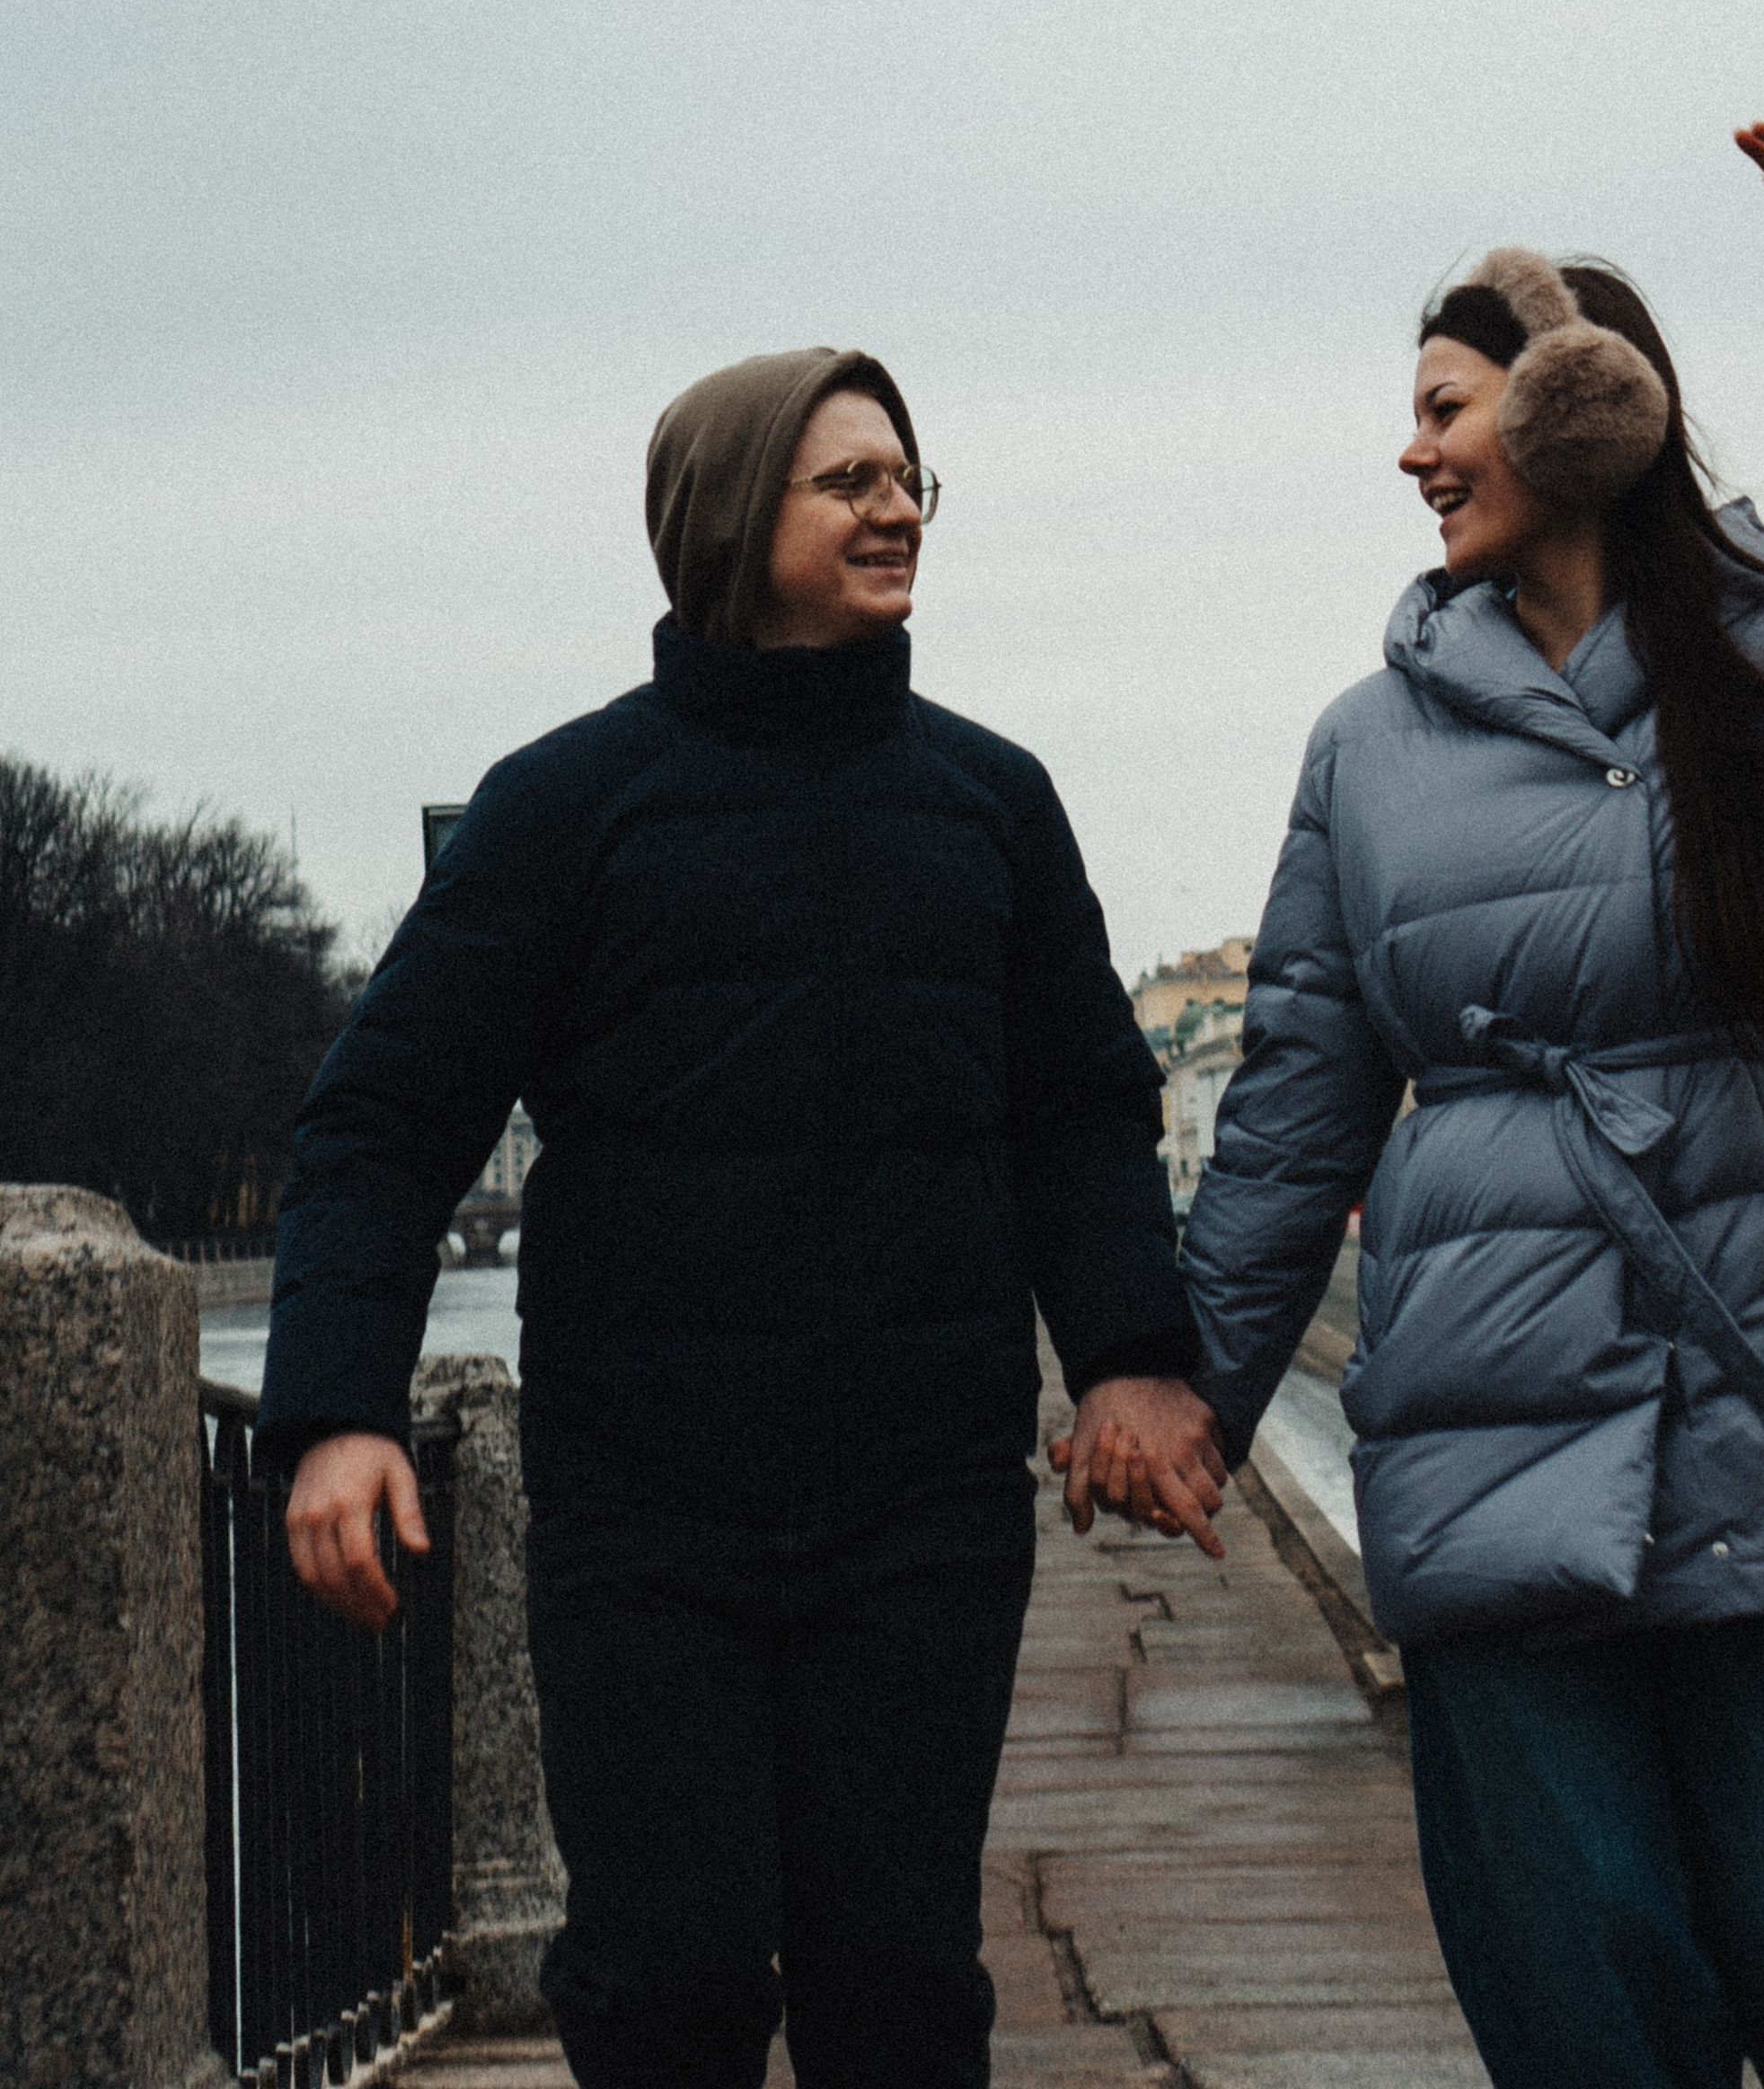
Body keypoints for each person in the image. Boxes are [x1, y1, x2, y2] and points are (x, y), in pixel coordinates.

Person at [1167, 113, 1764, 2089]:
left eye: (1444, 407)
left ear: (1576, 417)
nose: (1411, 450)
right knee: (1583, 2001)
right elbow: (1293, 1103)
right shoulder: (1362, 751)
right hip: (1477, 1438)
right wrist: (1182, 1392)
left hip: (1761, 1415)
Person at [258, 343, 1227, 2089]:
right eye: (843, 477)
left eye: (907, 476)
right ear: (725, 519)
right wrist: (332, 1414)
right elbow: (384, 1125)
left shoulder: (990, 803)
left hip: (921, 1509)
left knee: (901, 1987)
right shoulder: (564, 810)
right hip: (650, 1516)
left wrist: (1134, 1366)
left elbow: (1082, 1116)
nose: (893, 505)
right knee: (665, 1981)